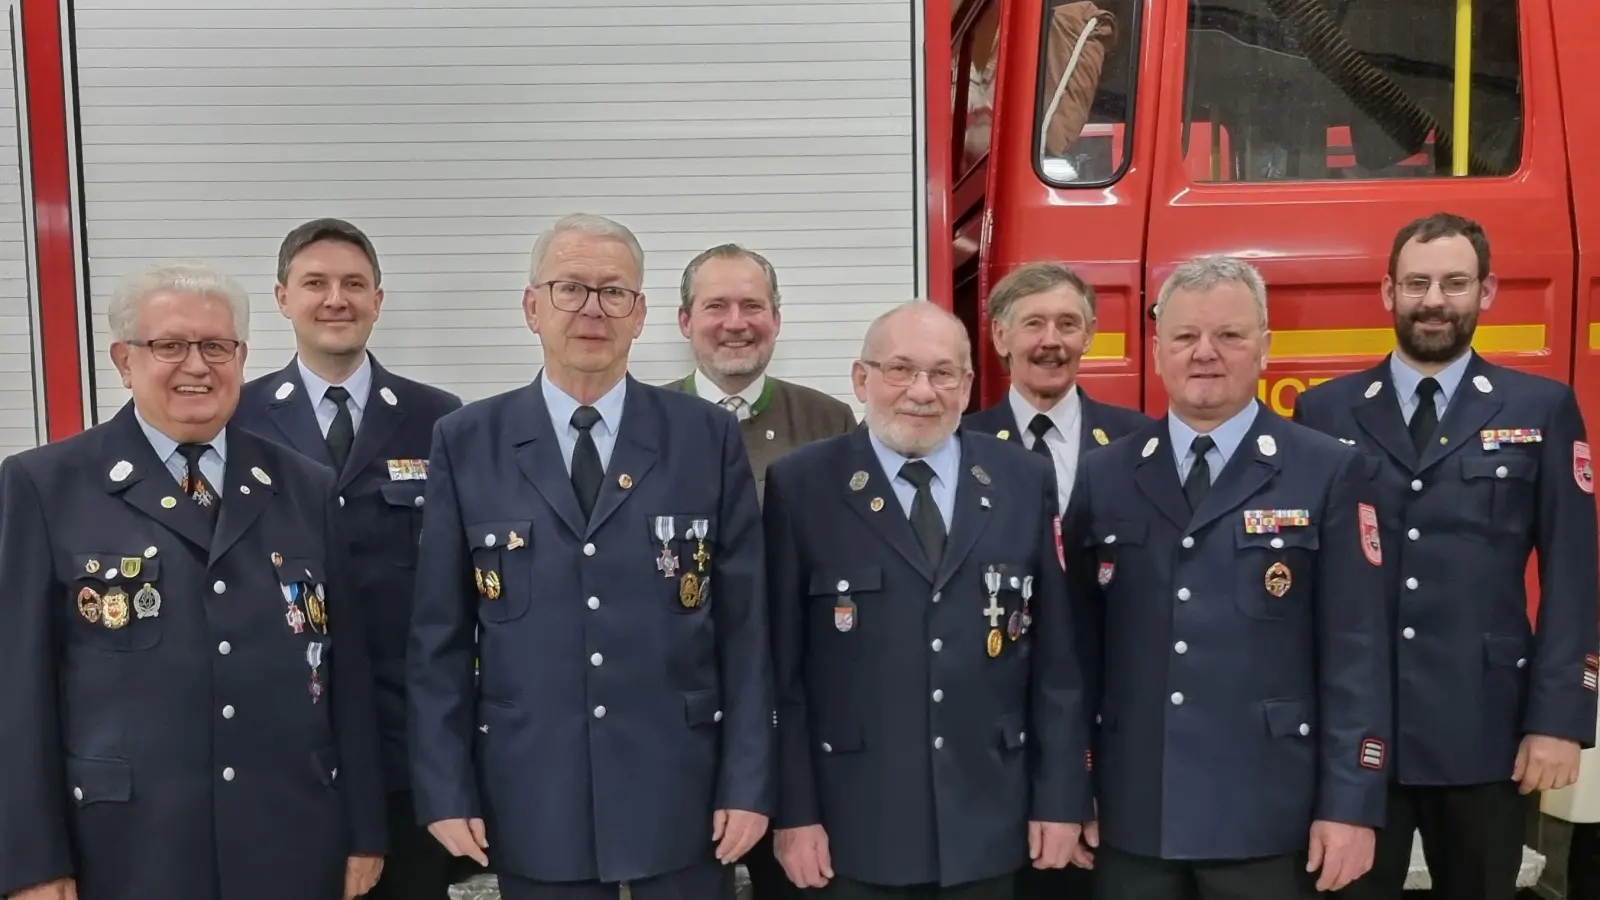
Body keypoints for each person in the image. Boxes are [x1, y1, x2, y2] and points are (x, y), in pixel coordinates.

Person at [406, 213, 774, 900]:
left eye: (614, 293)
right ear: (531, 307)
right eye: (570, 288)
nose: (592, 309)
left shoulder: (704, 437)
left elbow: (746, 631)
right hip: (534, 794)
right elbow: (439, 643)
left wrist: (749, 782)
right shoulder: (467, 440)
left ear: (641, 315)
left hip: (683, 794)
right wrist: (445, 788)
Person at [0, 261, 387, 900]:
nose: (197, 366)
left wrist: (365, 829)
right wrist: (32, 860)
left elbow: (345, 675)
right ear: (125, 361)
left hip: (288, 841)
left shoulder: (302, 486)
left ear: (241, 357)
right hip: (126, 850)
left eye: (216, 346)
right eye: (170, 346)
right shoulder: (46, 486)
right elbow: (19, 690)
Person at [1292, 213, 1599, 900]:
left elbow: (1573, 575)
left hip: (1485, 732)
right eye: (1418, 283)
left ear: (1486, 293)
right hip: (1358, 739)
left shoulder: (1543, 408)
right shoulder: (1324, 414)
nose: (1435, 300)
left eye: (1455, 283)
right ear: (1387, 292)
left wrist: (1558, 721)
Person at [1064, 255, 1391, 900]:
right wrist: (1071, 787)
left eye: (1230, 336)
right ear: (1157, 351)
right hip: (1134, 814)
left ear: (1265, 348)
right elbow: (1073, 654)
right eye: (1185, 337)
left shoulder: (1328, 472)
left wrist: (1351, 805)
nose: (1205, 354)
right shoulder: (1105, 474)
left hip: (1268, 813)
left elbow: (1358, 654)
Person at [764, 301, 1092, 899]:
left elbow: (1055, 666)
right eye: (900, 370)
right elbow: (781, 675)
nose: (922, 391)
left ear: (967, 386)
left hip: (990, 820)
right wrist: (794, 812)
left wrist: (1062, 798)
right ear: (861, 379)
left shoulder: (1021, 479)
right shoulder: (802, 485)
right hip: (854, 827)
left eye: (943, 373)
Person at [235, 218, 464, 900]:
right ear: (282, 298)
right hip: (279, 744)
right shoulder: (236, 418)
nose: (336, 299)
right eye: (315, 284)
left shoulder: (439, 419)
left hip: (403, 746)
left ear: (378, 299)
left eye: (354, 284)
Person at [665, 243, 857, 501]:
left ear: (776, 320)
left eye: (752, 306)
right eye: (716, 306)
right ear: (685, 321)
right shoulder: (642, 422)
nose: (735, 323)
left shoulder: (829, 423)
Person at [963, 262, 1152, 513]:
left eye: (1067, 324)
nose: (1051, 341)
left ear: (1088, 335)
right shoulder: (961, 443)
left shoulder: (1139, 439)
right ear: (1000, 336)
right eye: (1033, 324)